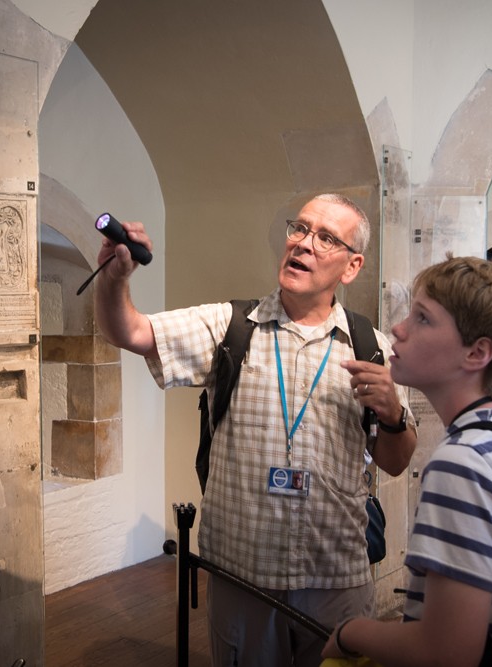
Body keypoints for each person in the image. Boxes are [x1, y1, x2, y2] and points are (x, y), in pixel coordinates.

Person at [93, 193, 418, 667]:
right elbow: (131, 331)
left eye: (325, 238)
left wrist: (391, 414)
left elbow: (396, 459)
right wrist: (114, 280)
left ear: (351, 267)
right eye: (299, 229)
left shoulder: (372, 348)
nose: (304, 244)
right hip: (244, 575)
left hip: (336, 578)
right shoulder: (230, 327)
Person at [322, 254, 492, 666]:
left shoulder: (464, 464)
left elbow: (447, 652)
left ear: (477, 353)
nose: (398, 328)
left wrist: (351, 632)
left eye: (423, 318)